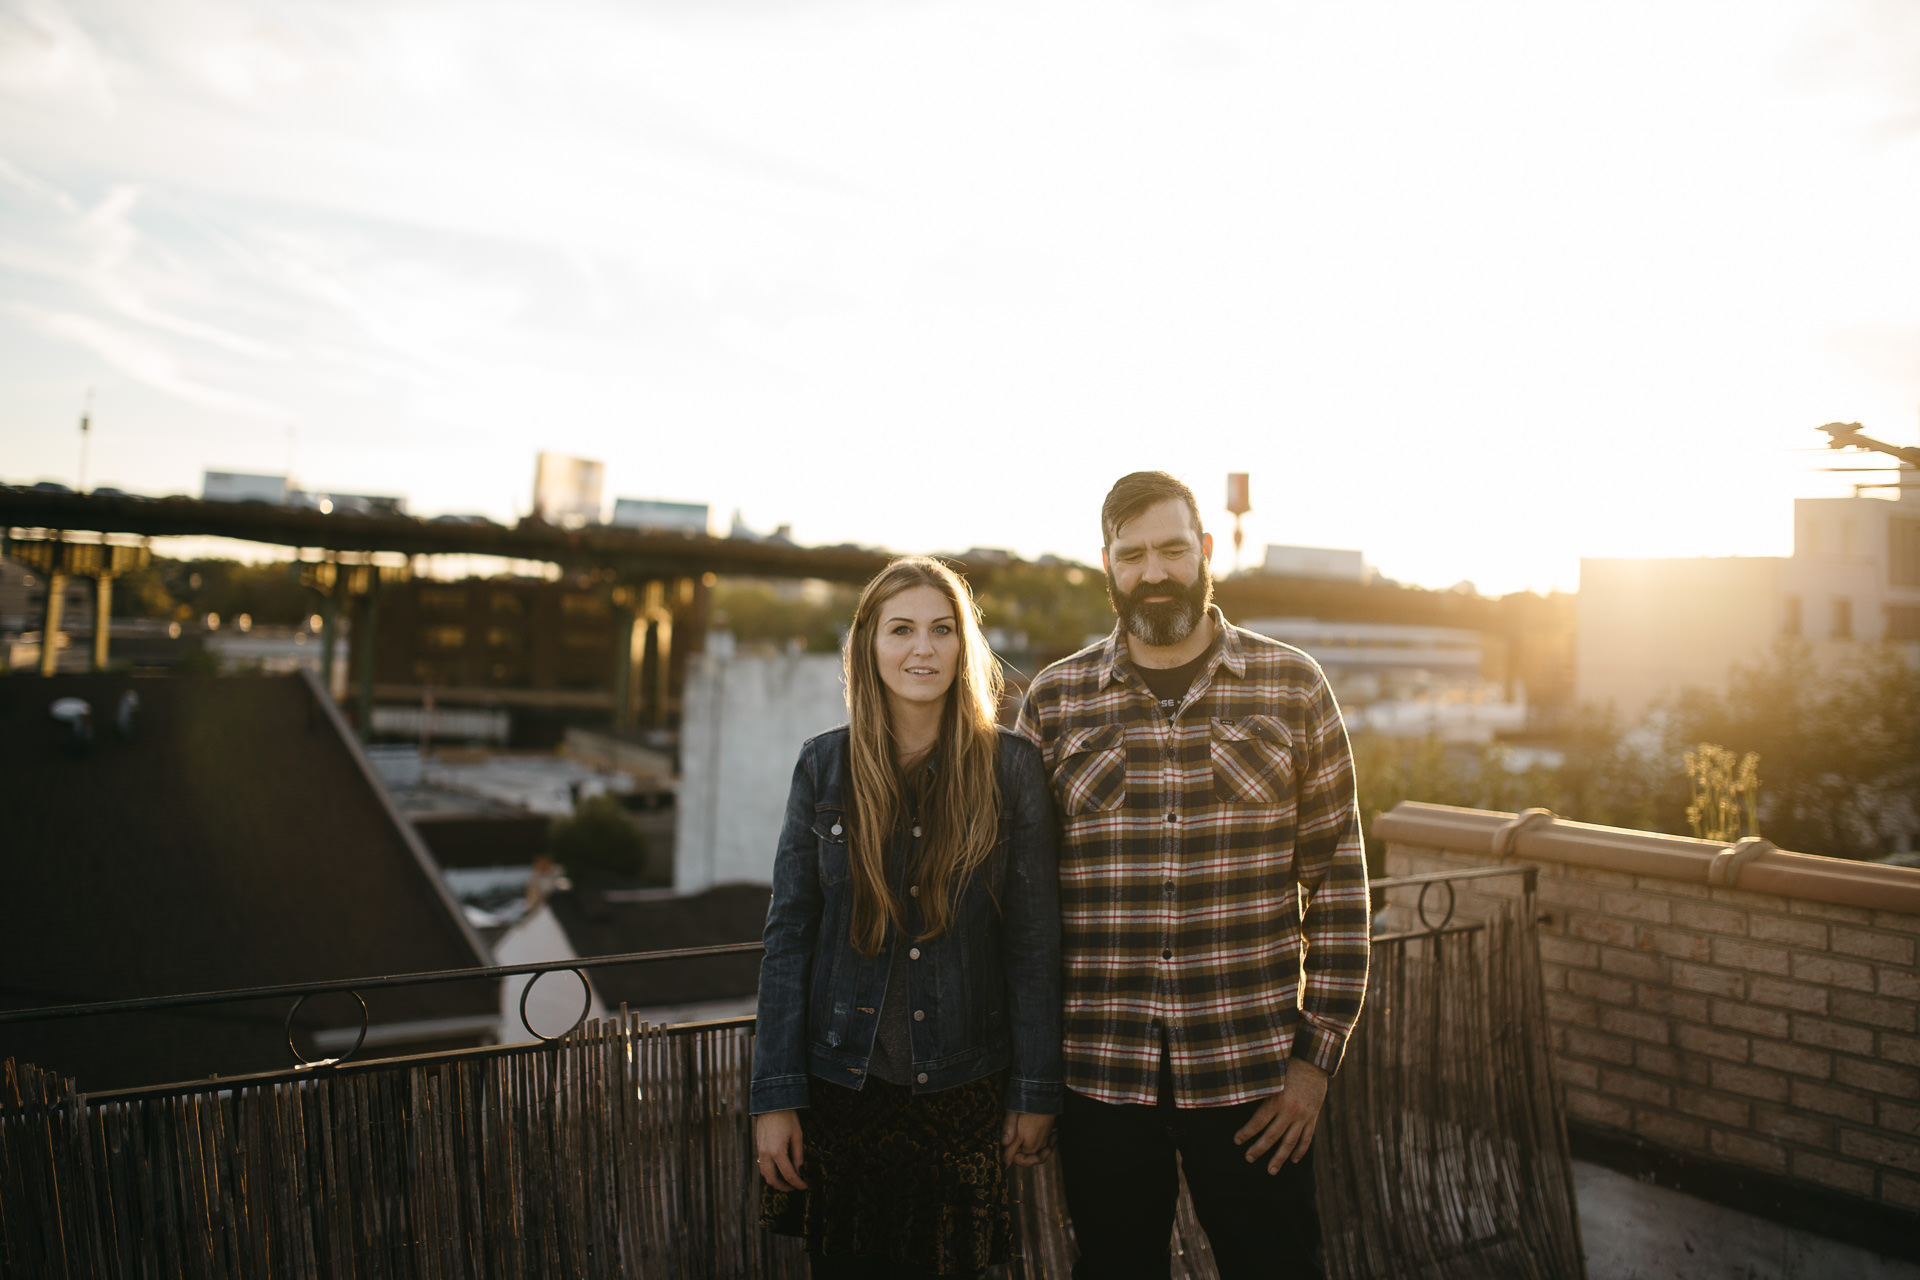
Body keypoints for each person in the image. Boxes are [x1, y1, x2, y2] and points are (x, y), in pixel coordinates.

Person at [1015, 472, 1370, 1280]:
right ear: (1106, 564)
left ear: (1205, 551)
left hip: (1254, 1079)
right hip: (1100, 1081)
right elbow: (1025, 912)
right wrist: (1032, 1077)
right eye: (1131, 554)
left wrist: (1314, 1069)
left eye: (1173, 549)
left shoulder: (1294, 687)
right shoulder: (1055, 702)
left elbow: (1342, 891)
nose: (1154, 572)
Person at [752, 556, 1063, 1279]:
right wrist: (774, 1098)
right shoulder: (823, 767)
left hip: (964, 1095)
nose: (922, 649)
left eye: (941, 630)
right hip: (840, 1092)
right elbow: (788, 937)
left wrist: (1036, 1091)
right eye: (901, 630)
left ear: (964, 647)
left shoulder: (1012, 770)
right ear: (868, 645)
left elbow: (1034, 946)